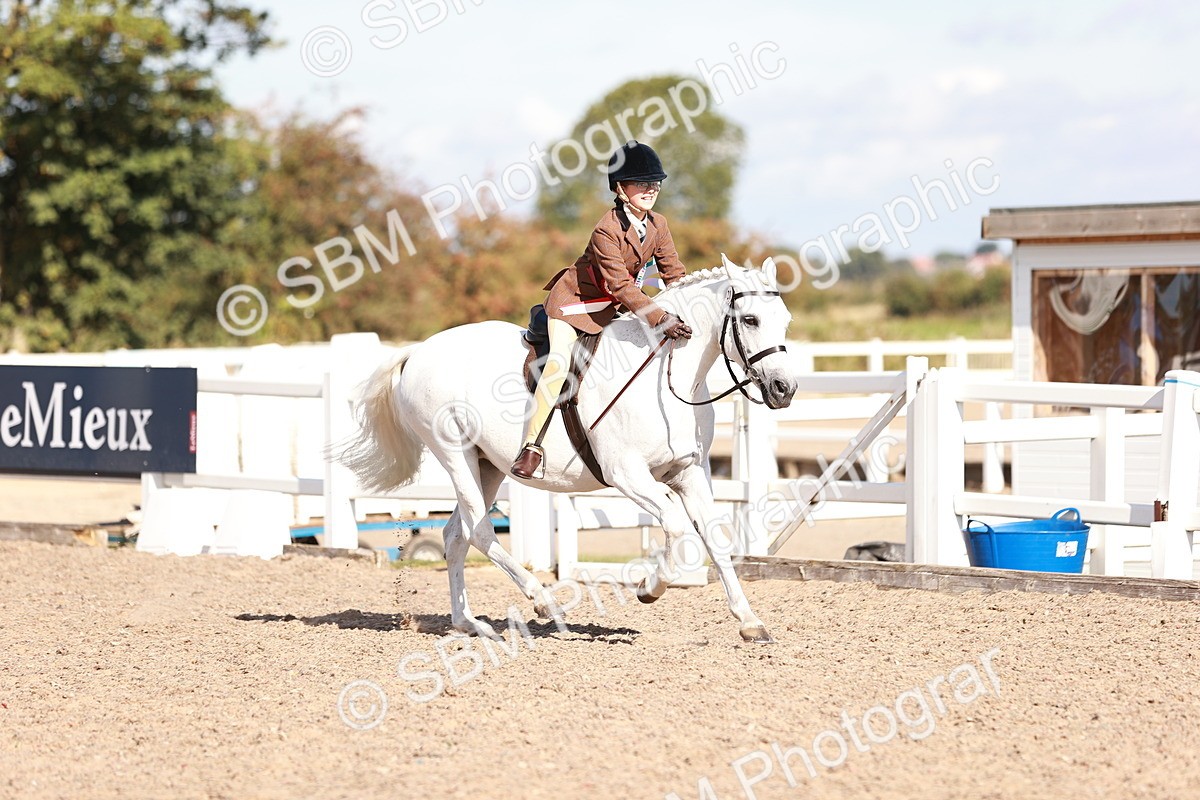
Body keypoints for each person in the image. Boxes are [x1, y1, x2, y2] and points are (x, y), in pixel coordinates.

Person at [511, 140, 693, 480]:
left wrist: (688, 307)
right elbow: (621, 286)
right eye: (641, 183)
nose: (651, 189)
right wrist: (660, 317)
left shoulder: (659, 225)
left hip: (614, 308)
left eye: (655, 182)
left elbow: (673, 273)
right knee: (558, 364)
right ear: (620, 188)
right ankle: (531, 445)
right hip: (576, 305)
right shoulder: (605, 230)